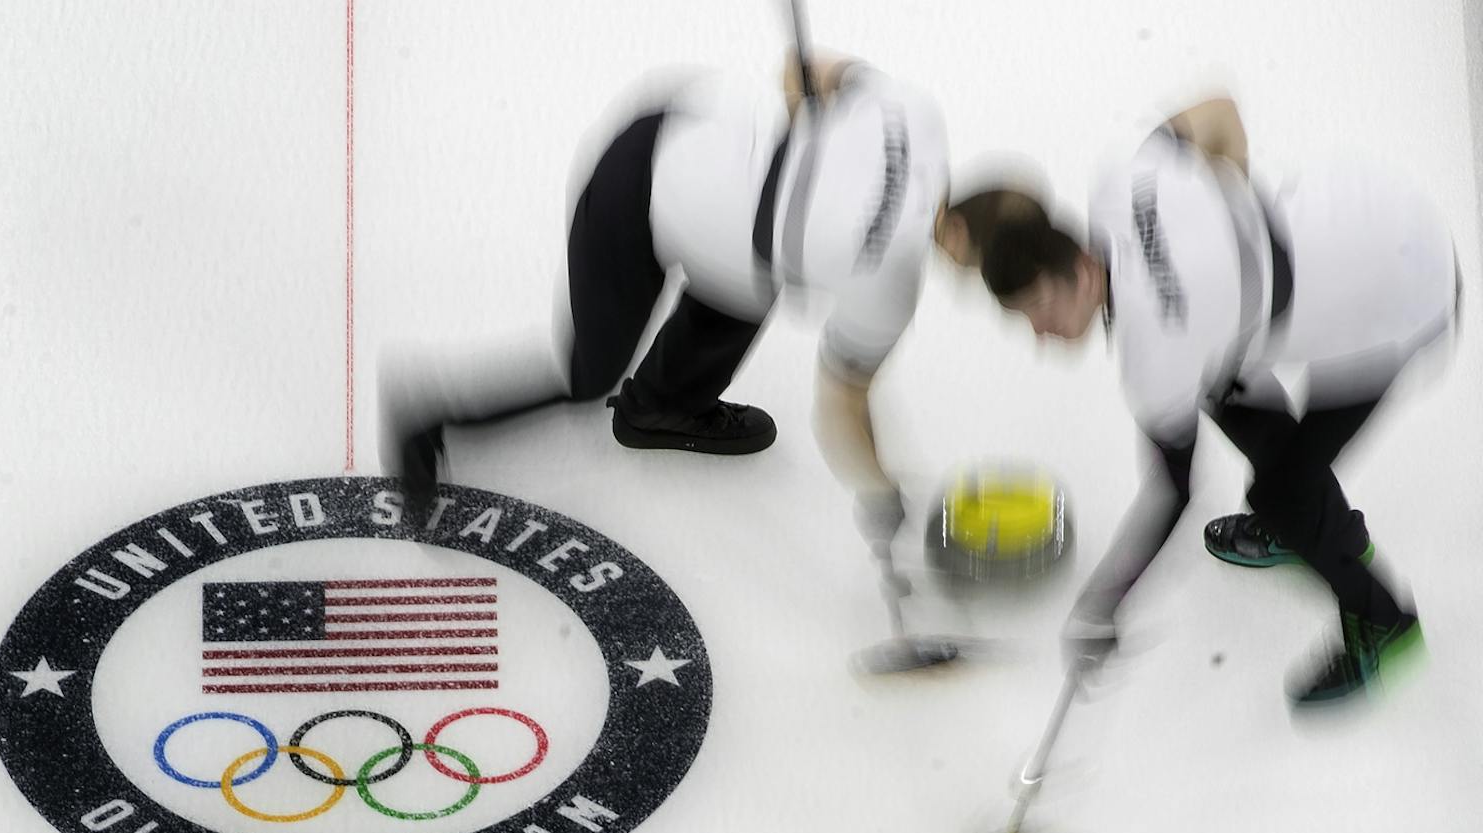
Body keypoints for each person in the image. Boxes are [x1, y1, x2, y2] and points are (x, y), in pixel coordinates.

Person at [947, 95, 1461, 706]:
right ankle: (1313, 528)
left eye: (1040, 308)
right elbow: (1220, 107)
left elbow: (1172, 494)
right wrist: (1229, 235)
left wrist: (1102, 604)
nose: (1040, 334)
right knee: (1221, 384)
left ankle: (1384, 623)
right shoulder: (1122, 177)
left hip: (1403, 303)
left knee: (1281, 494)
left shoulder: (1155, 359)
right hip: (1372, 208)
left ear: (1083, 270)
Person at [380, 48, 953, 590]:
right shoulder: (886, 277)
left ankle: (660, 409)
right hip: (636, 186)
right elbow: (841, 406)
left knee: (756, 283)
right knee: (589, 376)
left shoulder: (911, 112)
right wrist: (882, 495)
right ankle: (426, 412)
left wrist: (805, 138)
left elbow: (805, 70)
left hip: (708, 173)